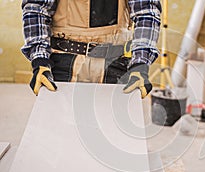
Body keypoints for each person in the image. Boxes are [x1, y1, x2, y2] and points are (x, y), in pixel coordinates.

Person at [21, 0, 161, 98]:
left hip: (115, 65)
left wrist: (140, 63)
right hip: (64, 64)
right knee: (60, 133)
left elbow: (146, 12)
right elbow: (36, 9)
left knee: (112, 134)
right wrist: (40, 60)